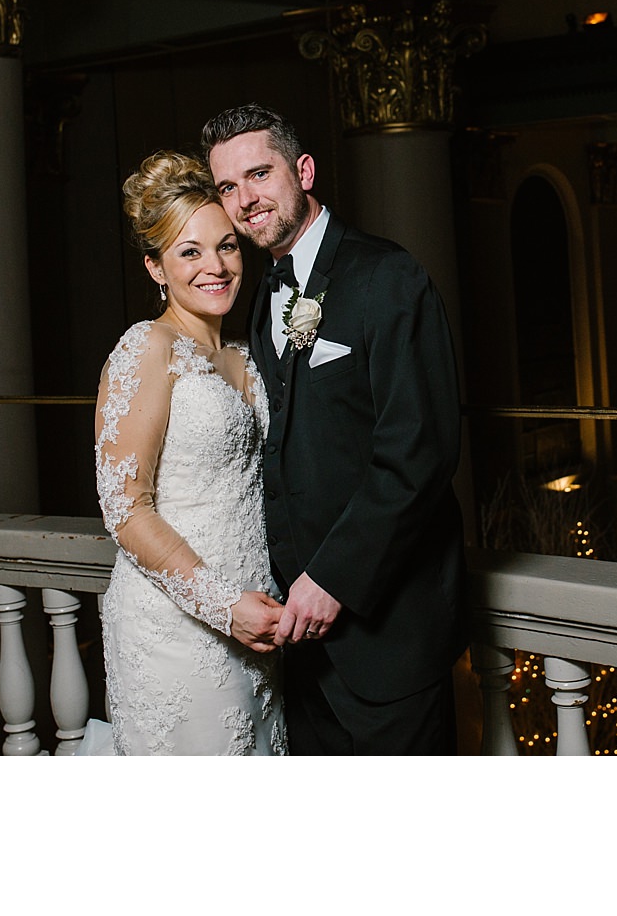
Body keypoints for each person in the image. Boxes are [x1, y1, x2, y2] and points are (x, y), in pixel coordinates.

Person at [202, 102, 467, 755]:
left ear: (305, 170)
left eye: (259, 175)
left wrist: (336, 578)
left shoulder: (388, 277)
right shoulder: (264, 295)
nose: (245, 200)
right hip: (300, 653)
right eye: (228, 188)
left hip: (389, 644)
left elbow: (420, 453)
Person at [83, 149, 287, 755]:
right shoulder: (145, 348)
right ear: (155, 268)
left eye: (225, 245)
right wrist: (225, 607)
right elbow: (125, 508)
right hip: (176, 626)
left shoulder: (246, 353)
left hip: (259, 618)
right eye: (189, 252)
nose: (215, 267)